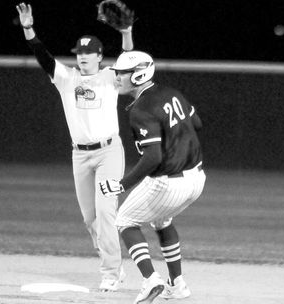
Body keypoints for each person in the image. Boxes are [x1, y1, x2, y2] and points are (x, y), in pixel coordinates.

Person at [15, 3, 133, 291]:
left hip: (109, 152)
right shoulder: (66, 79)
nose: (82, 57)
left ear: (99, 56)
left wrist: (127, 32)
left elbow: (128, 59)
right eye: (79, 53)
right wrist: (29, 30)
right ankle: (111, 261)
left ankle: (110, 272)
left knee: (106, 210)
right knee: (90, 218)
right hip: (79, 155)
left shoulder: (109, 77)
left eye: (88, 53)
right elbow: (43, 57)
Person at [99, 50, 206, 303]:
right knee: (161, 221)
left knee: (124, 221)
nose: (117, 77)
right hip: (197, 179)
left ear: (138, 75)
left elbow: (153, 158)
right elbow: (198, 124)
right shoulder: (172, 93)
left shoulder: (140, 109)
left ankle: (150, 280)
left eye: (122, 73)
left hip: (168, 182)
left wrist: (121, 185)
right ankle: (177, 284)